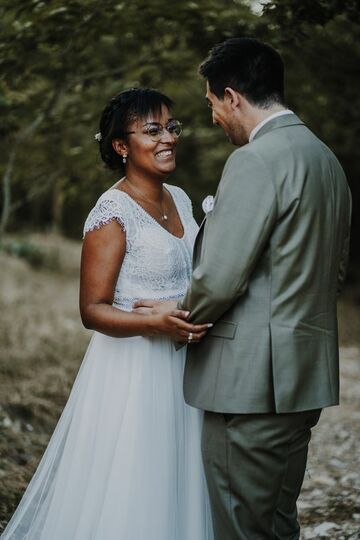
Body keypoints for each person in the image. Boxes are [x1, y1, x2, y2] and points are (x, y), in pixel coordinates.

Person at [135, 38, 352, 539]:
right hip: (303, 378)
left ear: (232, 96)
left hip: (250, 386)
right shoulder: (325, 160)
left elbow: (221, 275)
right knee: (277, 521)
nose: (213, 118)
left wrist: (177, 311)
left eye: (211, 105)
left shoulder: (256, 160)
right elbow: (332, 273)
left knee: (240, 526)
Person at [1, 88, 214, 540]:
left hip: (189, 365)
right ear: (121, 146)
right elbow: (92, 310)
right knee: (138, 488)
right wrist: (155, 324)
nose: (168, 138)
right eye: (152, 130)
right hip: (134, 373)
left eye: (172, 128)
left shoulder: (179, 196)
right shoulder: (112, 212)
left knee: (185, 484)